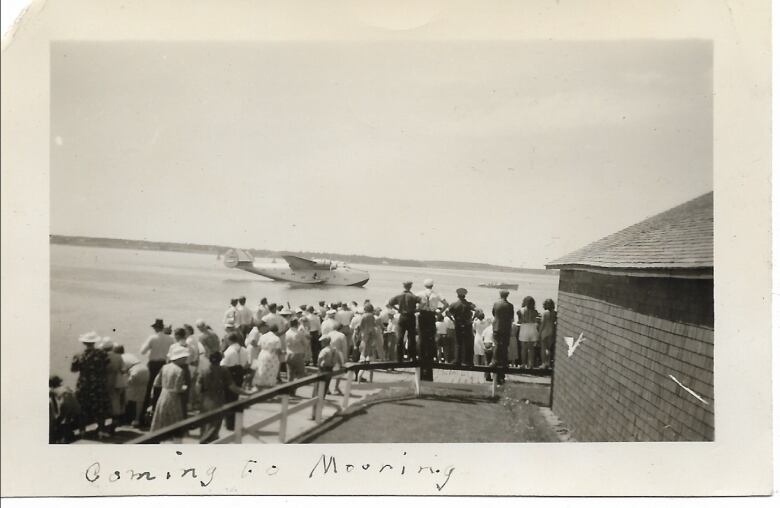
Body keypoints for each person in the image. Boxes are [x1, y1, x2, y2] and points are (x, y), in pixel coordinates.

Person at [198, 351, 251, 443]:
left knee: (205, 425)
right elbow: (232, 387)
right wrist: (246, 393)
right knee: (214, 426)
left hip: (205, 400)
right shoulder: (223, 370)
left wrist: (198, 399)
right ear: (221, 359)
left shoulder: (204, 370)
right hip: (218, 400)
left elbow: (197, 387)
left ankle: (204, 442)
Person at [70, 331, 111, 437]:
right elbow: (107, 366)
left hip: (83, 384)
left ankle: (82, 431)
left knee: (82, 408)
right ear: (95, 342)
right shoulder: (102, 354)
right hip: (98, 384)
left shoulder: (78, 355)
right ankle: (101, 430)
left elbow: (73, 370)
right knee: (99, 408)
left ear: (84, 343)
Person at [150, 345, 190, 436]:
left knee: (160, 418)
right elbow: (177, 389)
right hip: (173, 397)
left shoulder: (165, 367)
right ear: (179, 358)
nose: (185, 360)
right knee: (174, 420)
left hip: (163, 394)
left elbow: (156, 383)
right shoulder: (179, 370)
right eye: (184, 358)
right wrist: (184, 388)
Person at [140, 318, 174, 419]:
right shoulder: (170, 339)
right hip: (163, 364)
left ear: (155, 328)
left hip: (153, 364)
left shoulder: (152, 338)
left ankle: (143, 412)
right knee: (159, 387)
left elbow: (142, 351)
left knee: (148, 387)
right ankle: (157, 410)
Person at [416, 279, 447, 381]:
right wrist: (439, 312)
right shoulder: (437, 294)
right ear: (432, 285)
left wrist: (418, 309)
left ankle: (420, 355)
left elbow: (413, 303)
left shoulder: (419, 294)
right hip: (431, 316)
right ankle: (431, 356)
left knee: (421, 337)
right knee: (430, 338)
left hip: (422, 314)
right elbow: (446, 304)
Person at [219, 331, 249, 431]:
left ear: (229, 340)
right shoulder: (244, 350)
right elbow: (246, 363)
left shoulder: (228, 351)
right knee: (235, 397)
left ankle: (229, 424)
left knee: (228, 399)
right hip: (240, 373)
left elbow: (223, 365)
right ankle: (235, 422)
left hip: (230, 374)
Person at [388, 281, 420, 361]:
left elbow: (390, 303)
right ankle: (411, 356)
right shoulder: (413, 296)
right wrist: (416, 310)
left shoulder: (399, 296)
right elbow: (423, 302)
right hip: (411, 316)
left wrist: (398, 309)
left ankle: (399, 357)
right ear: (410, 287)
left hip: (402, 316)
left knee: (400, 337)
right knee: (411, 337)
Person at [167, 328, 194, 418]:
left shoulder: (173, 347)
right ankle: (183, 416)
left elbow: (168, 360)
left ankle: (173, 417)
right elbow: (192, 359)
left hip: (175, 369)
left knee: (173, 394)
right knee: (184, 395)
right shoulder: (190, 347)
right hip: (186, 370)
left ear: (177, 336)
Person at [490, 290, 515, 384]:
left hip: (496, 327)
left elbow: (493, 313)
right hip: (506, 328)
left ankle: (494, 361)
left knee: (496, 345)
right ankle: (504, 362)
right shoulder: (510, 305)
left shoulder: (496, 304)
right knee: (504, 346)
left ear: (500, 295)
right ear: (507, 296)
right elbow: (511, 317)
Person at [49, 375, 82, 443]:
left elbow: (54, 403)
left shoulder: (53, 391)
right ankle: (69, 433)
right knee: (68, 419)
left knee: (62, 420)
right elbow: (73, 393)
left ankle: (64, 437)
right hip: (75, 405)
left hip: (65, 404)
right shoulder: (66, 387)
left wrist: (57, 416)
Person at [449, 288, 477, 365]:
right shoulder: (469, 304)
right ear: (465, 295)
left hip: (458, 324)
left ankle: (457, 360)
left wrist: (453, 319)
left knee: (458, 343)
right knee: (468, 343)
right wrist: (472, 319)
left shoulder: (454, 304)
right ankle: (468, 361)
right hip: (467, 325)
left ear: (457, 295)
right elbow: (478, 311)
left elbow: (447, 312)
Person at [101, 338, 124, 430]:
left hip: (104, 380)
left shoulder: (101, 356)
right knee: (115, 400)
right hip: (116, 380)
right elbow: (122, 369)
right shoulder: (118, 356)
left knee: (103, 402)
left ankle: (102, 425)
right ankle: (114, 422)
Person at [121, 352, 149, 427]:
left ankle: (125, 418)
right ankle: (137, 420)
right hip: (145, 369)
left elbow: (123, 372)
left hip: (135, 371)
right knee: (140, 398)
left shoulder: (121, 358)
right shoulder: (129, 355)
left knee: (126, 393)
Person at [251, 325, 282, 389]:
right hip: (272, 356)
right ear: (276, 331)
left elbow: (259, 346)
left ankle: (259, 388)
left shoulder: (263, 336)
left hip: (262, 354)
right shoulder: (276, 338)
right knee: (271, 372)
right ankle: (268, 389)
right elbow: (278, 350)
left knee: (261, 370)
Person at [518, 296, 541, 369]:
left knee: (523, 348)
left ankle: (523, 364)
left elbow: (520, 321)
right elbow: (537, 321)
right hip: (532, 328)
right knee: (531, 348)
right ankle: (530, 364)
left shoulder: (520, 311)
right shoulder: (535, 312)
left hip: (524, 328)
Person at [285, 318, 309, 388]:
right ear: (297, 324)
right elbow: (306, 343)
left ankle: (289, 390)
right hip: (297, 354)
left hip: (288, 354)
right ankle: (294, 389)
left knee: (290, 374)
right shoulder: (299, 333)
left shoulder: (287, 333)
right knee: (301, 374)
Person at [539, 298, 557, 368]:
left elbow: (542, 324)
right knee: (548, 348)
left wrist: (539, 333)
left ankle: (543, 363)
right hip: (551, 331)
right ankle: (548, 363)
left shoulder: (545, 313)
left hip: (544, 332)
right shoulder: (554, 313)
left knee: (543, 348)